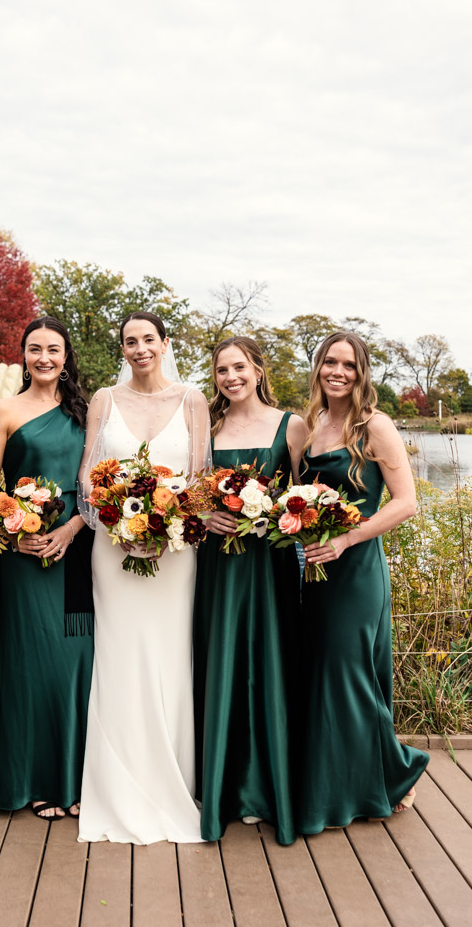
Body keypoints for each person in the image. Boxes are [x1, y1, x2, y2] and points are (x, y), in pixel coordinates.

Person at [77, 312, 211, 844]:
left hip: (175, 555)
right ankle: (116, 786)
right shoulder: (103, 401)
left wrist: (167, 529)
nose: (139, 349)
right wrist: (116, 523)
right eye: (129, 341)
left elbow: (201, 480)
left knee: (169, 656)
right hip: (113, 551)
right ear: (123, 348)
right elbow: (87, 475)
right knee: (120, 656)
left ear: (165, 343)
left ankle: (174, 778)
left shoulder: (193, 400)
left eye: (147, 339)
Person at [297, 331, 428, 833]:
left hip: (354, 568)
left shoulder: (375, 425)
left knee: (350, 674)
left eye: (348, 365)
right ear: (318, 368)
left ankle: (395, 773)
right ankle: (338, 783)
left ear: (362, 371)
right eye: (330, 362)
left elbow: (405, 502)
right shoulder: (312, 425)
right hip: (314, 566)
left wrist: (347, 540)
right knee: (323, 673)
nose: (338, 372)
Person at [193, 337, 305, 845]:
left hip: (270, 563)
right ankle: (222, 787)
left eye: (239, 367)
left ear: (258, 370)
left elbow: (305, 496)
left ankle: (266, 786)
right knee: (223, 662)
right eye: (221, 370)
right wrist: (204, 513)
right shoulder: (208, 429)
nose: (230, 377)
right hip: (220, 564)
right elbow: (193, 492)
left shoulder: (292, 425)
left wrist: (276, 511)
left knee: (270, 663)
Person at [0, 316, 93, 821]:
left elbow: (99, 483)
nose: (44, 357)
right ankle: (25, 782)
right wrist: (14, 525)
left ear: (67, 356)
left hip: (78, 546)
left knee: (74, 666)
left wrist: (70, 530)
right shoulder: (4, 412)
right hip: (21, 555)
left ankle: (71, 780)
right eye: (34, 349)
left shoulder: (88, 413)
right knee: (26, 666)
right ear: (22, 356)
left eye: (53, 349)